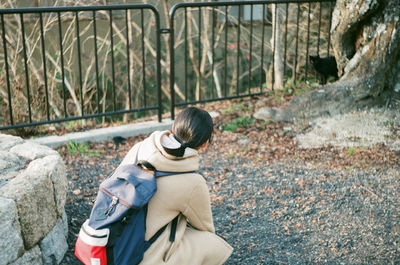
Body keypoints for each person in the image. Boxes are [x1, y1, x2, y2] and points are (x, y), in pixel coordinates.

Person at [118, 107, 233, 265]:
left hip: (110, 242)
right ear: (205, 143)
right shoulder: (192, 182)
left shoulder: (139, 148)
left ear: (173, 128)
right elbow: (205, 227)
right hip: (140, 257)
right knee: (212, 244)